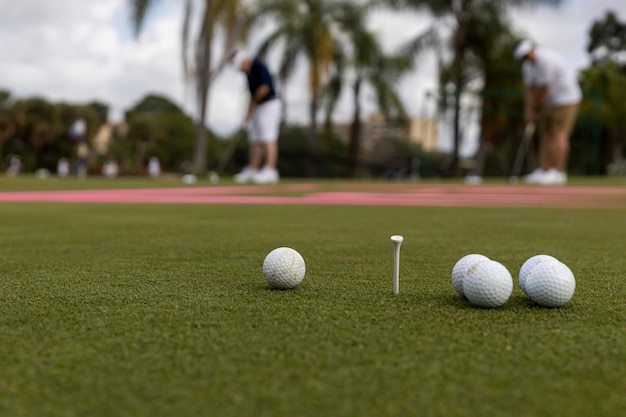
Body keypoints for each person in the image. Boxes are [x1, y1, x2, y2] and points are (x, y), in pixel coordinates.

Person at [514, 39, 581, 185]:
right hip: (549, 103)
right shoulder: (527, 67)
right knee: (545, 134)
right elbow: (530, 90)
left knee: (559, 134)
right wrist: (528, 111)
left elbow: (544, 88)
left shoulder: (546, 60)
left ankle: (558, 172)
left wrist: (534, 109)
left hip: (566, 99)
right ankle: (545, 170)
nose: (527, 59)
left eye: (527, 55)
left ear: (532, 50)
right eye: (523, 58)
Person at [231, 50, 281, 184]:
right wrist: (249, 112)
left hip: (269, 104)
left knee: (268, 137)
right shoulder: (248, 74)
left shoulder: (258, 66)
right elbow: (252, 95)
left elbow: (263, 89)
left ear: (244, 61)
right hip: (259, 106)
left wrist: (252, 107)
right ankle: (252, 170)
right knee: (255, 138)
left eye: (241, 67)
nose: (241, 70)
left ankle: (271, 170)